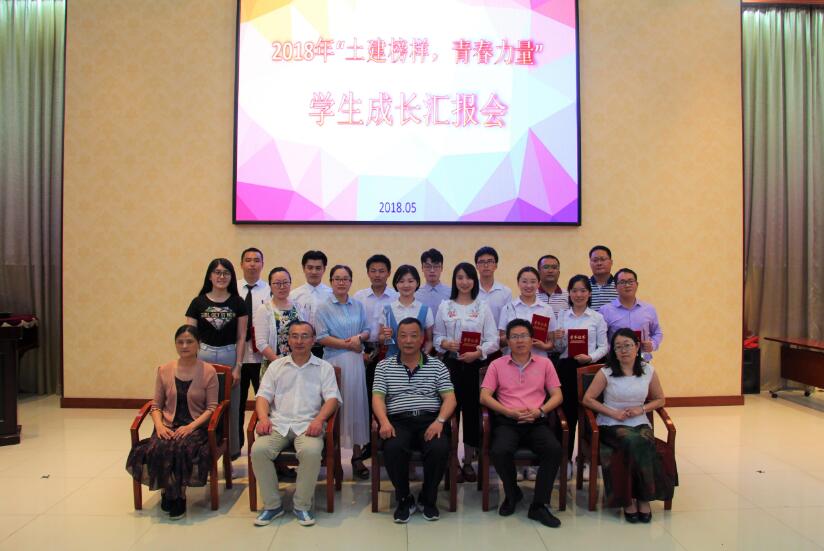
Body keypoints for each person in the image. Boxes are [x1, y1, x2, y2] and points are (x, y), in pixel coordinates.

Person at [251, 321, 342, 527]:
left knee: (310, 452)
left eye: (304, 336)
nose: (299, 341)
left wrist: (319, 420)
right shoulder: (276, 366)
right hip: (278, 424)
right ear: (288, 340)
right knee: (259, 450)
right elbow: (263, 396)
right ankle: (272, 505)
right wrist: (263, 418)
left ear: (313, 340)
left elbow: (332, 400)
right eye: (294, 336)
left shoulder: (324, 368)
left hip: (309, 425)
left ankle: (302, 505)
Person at [581, 328, 674, 523]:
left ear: (637, 347)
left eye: (627, 345)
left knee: (642, 441)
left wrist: (642, 409)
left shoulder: (648, 370)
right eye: (618, 347)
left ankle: (642, 498)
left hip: (639, 421)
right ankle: (630, 500)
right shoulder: (606, 372)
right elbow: (588, 399)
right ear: (613, 351)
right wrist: (613, 412)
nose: (623, 350)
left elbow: (660, 399)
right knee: (632, 441)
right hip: (611, 424)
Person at [126, 325, 218, 520]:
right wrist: (159, 426)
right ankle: (167, 490)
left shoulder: (208, 371)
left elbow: (211, 408)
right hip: (167, 425)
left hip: (195, 427)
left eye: (189, 342)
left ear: (199, 344)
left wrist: (191, 427)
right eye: (180, 342)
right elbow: (156, 405)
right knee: (158, 446)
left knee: (182, 447)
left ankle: (179, 495)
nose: (184, 346)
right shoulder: (164, 370)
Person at [480, 319, 564, 528]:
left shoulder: (545, 364)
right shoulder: (497, 365)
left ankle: (539, 505)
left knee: (554, 449)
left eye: (524, 336)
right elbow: (484, 397)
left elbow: (557, 395)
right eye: (515, 337)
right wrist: (508, 412)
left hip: (536, 421)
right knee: (499, 451)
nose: (520, 341)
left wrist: (540, 411)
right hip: (508, 421)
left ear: (532, 339)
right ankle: (512, 493)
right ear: (507, 341)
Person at [373, 317, 457, 523]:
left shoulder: (437, 365)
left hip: (430, 419)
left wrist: (440, 421)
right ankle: (404, 498)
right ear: (397, 338)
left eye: (413, 336)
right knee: (393, 447)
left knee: (438, 448)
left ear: (422, 339)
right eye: (403, 336)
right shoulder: (384, 366)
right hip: (398, 420)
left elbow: (450, 399)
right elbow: (377, 398)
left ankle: (428, 498)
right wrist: (384, 421)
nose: (408, 340)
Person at [433, 262, 499, 483]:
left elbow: (493, 340)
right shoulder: (445, 306)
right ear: (455, 280)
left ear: (474, 280)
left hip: (473, 367)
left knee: (472, 414)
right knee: (449, 411)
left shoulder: (482, 307)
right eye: (460, 277)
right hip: (450, 366)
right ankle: (451, 461)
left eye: (468, 277)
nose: (464, 282)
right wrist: (445, 343)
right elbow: (436, 336)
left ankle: (469, 460)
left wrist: (478, 352)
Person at [185, 258, 246, 458]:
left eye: (226, 273)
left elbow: (241, 337)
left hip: (230, 354)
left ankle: (231, 452)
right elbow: (190, 337)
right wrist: (191, 364)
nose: (221, 276)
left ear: (232, 277)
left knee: (231, 406)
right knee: (203, 405)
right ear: (210, 276)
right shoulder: (198, 303)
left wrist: (238, 367)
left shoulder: (238, 303)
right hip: (204, 355)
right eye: (217, 272)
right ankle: (203, 452)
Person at [315, 265, 371, 479]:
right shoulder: (323, 307)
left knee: (356, 406)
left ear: (350, 281)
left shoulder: (358, 305)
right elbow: (321, 337)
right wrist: (349, 344)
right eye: (337, 278)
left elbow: (367, 330)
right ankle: (333, 458)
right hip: (334, 364)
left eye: (345, 278)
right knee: (336, 408)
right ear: (331, 281)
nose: (341, 282)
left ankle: (357, 457)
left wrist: (360, 338)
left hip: (356, 363)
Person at [556, 274, 608, 477]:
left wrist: (591, 357)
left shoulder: (597, 318)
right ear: (569, 293)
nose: (578, 294)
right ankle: (565, 459)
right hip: (566, 369)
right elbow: (557, 348)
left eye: (583, 290)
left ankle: (585, 460)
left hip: (589, 370)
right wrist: (560, 340)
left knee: (589, 416)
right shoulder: (562, 316)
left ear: (589, 293)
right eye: (574, 290)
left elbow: (604, 346)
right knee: (567, 415)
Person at [353, 254, 398, 461]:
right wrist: (361, 352)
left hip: (389, 351)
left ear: (388, 273)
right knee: (365, 397)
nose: (377, 274)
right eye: (373, 270)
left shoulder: (396, 296)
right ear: (368, 272)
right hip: (363, 351)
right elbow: (354, 325)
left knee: (387, 395)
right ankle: (367, 442)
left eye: (382, 271)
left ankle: (386, 438)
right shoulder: (359, 297)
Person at [237, 247, 269, 451]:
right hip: (238, 358)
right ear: (241, 264)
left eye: (256, 260)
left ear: (262, 264)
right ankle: (236, 445)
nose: (252, 264)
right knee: (237, 404)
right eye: (248, 260)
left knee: (265, 404)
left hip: (261, 358)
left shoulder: (270, 290)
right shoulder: (233, 289)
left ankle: (264, 446)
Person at [598, 268, 663, 361]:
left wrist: (653, 344)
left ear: (637, 285)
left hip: (642, 360)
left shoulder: (649, 309)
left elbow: (657, 332)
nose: (627, 285)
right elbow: (600, 338)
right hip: (616, 361)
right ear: (615, 287)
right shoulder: (605, 311)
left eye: (630, 281)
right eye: (622, 282)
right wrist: (611, 350)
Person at [377, 264, 435, 357]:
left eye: (410, 281)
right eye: (401, 281)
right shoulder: (386, 310)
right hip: (392, 362)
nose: (406, 285)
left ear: (417, 283)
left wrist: (423, 357)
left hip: (418, 362)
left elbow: (429, 341)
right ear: (396, 284)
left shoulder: (426, 310)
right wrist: (385, 336)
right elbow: (380, 338)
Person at [290, 250, 333, 357]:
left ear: (324, 269)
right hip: (301, 347)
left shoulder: (332, 295)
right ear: (303, 268)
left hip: (328, 348)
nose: (314, 272)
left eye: (318, 268)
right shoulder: (293, 296)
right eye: (310, 268)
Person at [474, 246, 513, 326]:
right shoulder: (470, 290)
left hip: (498, 334)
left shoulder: (506, 292)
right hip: (474, 333)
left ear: (496, 265)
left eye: (490, 261)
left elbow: (508, 320)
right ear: (476, 266)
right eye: (482, 262)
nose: (486, 265)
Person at [415, 248, 450, 313]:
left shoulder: (451, 293)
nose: (432, 270)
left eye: (436, 266)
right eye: (428, 267)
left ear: (442, 268)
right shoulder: (415, 294)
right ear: (422, 268)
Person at [588, 245, 618, 311]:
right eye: (595, 260)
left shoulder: (619, 285)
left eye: (603, 259)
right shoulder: (584, 286)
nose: (599, 263)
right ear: (590, 263)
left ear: (611, 262)